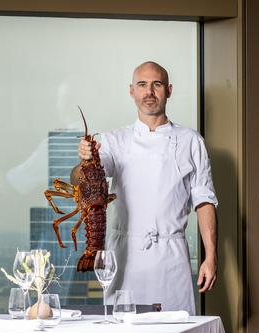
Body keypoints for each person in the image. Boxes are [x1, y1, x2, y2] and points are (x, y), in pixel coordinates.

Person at [72, 61, 218, 315]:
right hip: (125, 256)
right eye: (142, 85)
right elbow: (81, 180)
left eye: (156, 84)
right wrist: (84, 160)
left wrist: (211, 256)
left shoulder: (191, 140)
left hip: (171, 256)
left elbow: (204, 201)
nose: (149, 92)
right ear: (132, 91)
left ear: (169, 90)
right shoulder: (111, 140)